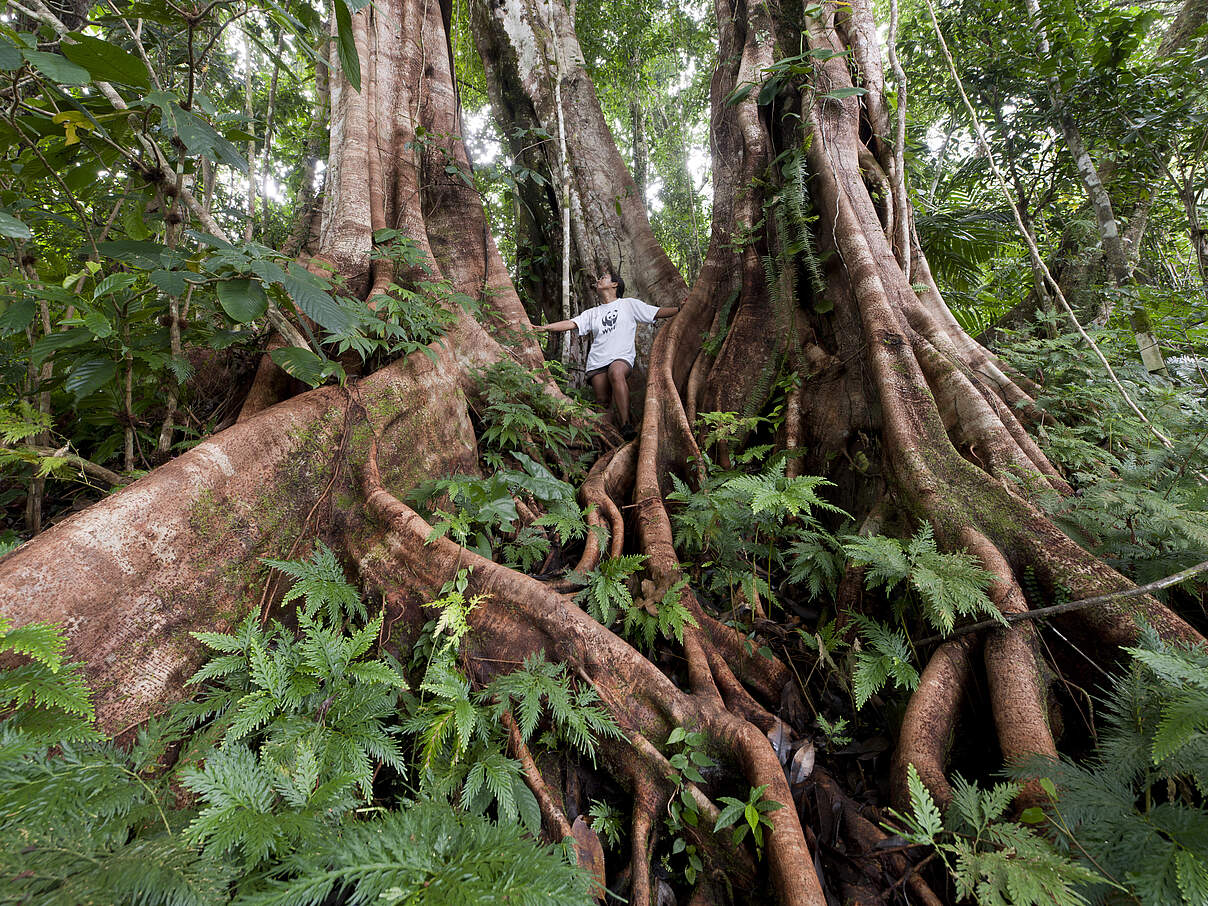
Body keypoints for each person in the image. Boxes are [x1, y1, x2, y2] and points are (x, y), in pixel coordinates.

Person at [535, 270, 680, 439]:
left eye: (603, 278)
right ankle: (607, 440)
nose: (599, 280)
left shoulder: (628, 305)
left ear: (614, 284)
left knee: (616, 372)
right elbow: (571, 323)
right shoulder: (593, 313)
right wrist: (545, 328)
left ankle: (626, 424)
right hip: (598, 360)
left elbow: (656, 312)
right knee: (603, 402)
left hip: (621, 356)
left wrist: (680, 309)